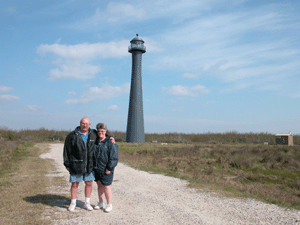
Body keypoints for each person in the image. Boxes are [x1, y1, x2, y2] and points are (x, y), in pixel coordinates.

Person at [63, 117, 115, 212]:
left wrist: (111, 137)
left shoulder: (93, 134)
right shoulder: (72, 135)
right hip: (76, 165)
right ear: (80, 124)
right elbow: (66, 150)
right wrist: (67, 164)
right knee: (74, 184)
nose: (85, 125)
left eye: (87, 123)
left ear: (89, 125)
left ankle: (87, 203)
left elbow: (103, 133)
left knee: (89, 183)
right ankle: (73, 203)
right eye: (83, 123)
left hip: (89, 165)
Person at [93, 123, 119, 213]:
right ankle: (100, 202)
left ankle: (109, 204)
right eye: (99, 131)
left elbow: (114, 157)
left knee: (107, 186)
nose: (100, 133)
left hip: (106, 169)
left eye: (102, 131)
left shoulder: (110, 142)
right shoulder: (95, 142)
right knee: (99, 185)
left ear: (105, 131)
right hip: (97, 168)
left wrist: (109, 168)